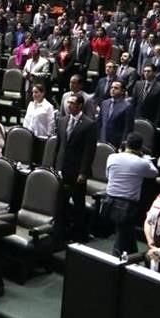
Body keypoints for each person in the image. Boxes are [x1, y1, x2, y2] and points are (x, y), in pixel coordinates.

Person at [104, 134, 158, 256]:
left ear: (126, 144)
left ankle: (133, 253)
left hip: (109, 200)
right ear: (140, 148)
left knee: (127, 230)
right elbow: (154, 173)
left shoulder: (111, 157)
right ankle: (115, 261)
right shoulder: (142, 163)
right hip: (128, 205)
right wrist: (146, 158)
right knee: (122, 234)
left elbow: (108, 176)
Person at [57, 94, 97, 242]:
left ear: (80, 105)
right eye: (68, 102)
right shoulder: (61, 121)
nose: (69, 105)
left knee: (78, 204)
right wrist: (56, 165)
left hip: (77, 171)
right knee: (61, 203)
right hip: (63, 168)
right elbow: (59, 146)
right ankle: (63, 232)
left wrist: (83, 172)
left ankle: (80, 235)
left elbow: (89, 150)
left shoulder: (89, 124)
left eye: (72, 103)